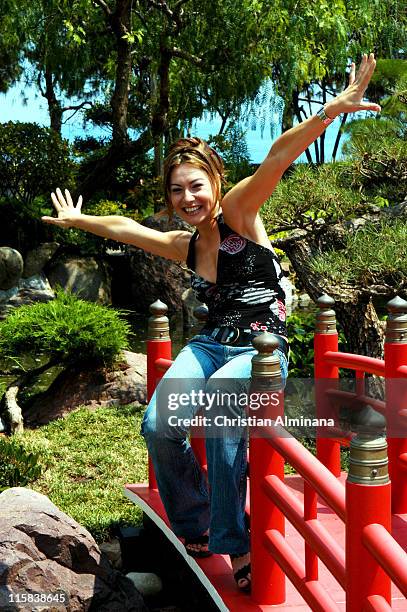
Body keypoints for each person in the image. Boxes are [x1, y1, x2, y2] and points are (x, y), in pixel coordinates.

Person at [43, 54, 380, 592]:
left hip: (259, 352)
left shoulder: (240, 214)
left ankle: (234, 540)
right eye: (177, 190)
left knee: (223, 409)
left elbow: (276, 156)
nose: (187, 198)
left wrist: (330, 112)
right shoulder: (185, 244)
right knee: (158, 424)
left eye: (195, 185)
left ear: (215, 181)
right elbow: (127, 228)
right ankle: (196, 521)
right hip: (210, 345)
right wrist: (79, 219)